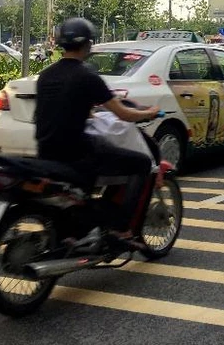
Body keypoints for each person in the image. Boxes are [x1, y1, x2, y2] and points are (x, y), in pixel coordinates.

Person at [34, 18, 159, 240]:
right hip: (78, 152)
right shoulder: (87, 76)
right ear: (88, 45)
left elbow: (60, 108)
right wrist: (149, 113)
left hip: (45, 150)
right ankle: (122, 227)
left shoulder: (46, 75)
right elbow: (123, 114)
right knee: (141, 163)